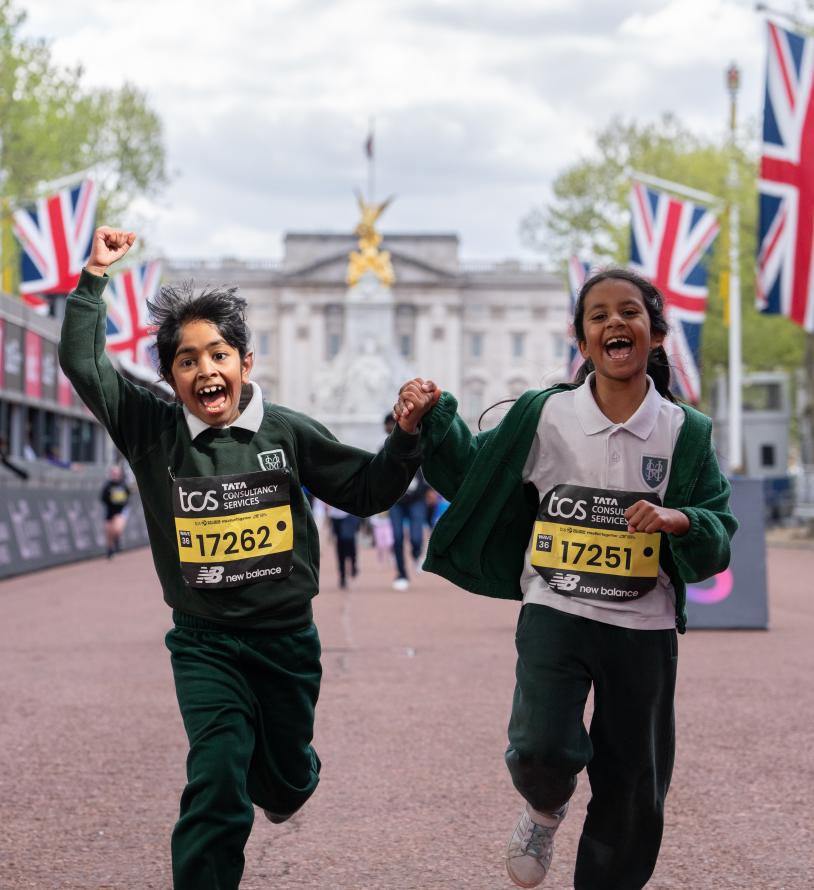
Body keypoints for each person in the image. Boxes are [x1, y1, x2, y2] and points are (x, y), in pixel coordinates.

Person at [59, 226, 435, 890]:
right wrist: (93, 277)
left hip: (286, 643)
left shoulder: (286, 431)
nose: (206, 370)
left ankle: (290, 775)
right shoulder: (152, 431)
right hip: (206, 642)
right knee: (217, 773)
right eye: (187, 360)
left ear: (245, 363)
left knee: (285, 787)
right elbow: (85, 366)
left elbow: (368, 490)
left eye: (218, 354)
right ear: (171, 377)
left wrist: (404, 438)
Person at [396, 268, 738, 890]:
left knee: (633, 784)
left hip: (645, 624)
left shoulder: (687, 430)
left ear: (655, 335)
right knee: (539, 748)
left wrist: (680, 520)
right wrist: (432, 423)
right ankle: (543, 809)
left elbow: (719, 525)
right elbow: (478, 478)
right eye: (598, 315)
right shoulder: (545, 414)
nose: (615, 322)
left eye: (629, 312)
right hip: (555, 607)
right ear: (582, 344)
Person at [383, 412, 429, 590]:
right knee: (397, 536)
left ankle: (417, 553)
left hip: (417, 498)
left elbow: (428, 471)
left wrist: (430, 490)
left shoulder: (419, 445)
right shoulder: (385, 447)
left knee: (416, 537)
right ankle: (401, 573)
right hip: (396, 500)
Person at [100, 463, 131, 557]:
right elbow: (102, 498)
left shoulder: (123, 485)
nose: (115, 475)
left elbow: (127, 497)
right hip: (109, 511)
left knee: (117, 529)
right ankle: (109, 549)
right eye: (113, 473)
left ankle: (117, 540)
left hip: (120, 511)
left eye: (117, 473)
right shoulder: (107, 486)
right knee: (108, 531)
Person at [327, 505, 361, 588]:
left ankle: (353, 562)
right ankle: (342, 576)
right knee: (340, 546)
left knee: (348, 539)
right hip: (335, 515)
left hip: (349, 514)